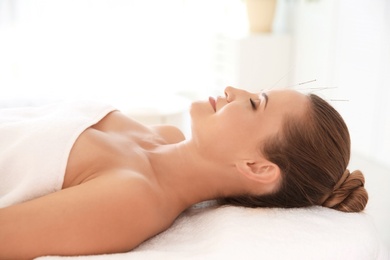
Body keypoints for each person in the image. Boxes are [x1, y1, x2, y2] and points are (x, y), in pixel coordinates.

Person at [0, 86, 368, 259]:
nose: (233, 90)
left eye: (255, 104)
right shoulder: (163, 136)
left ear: (256, 167)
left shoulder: (132, 200)